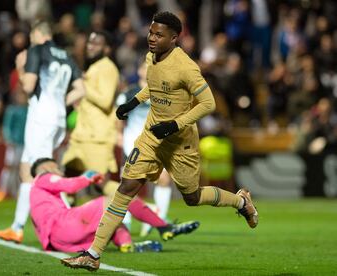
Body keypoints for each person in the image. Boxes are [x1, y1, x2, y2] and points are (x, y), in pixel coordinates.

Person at [61, 11, 259, 271]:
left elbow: (208, 103)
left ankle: (241, 201)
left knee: (192, 197)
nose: (152, 38)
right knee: (126, 187)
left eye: (159, 34)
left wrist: (176, 124)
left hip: (180, 142)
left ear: (174, 38)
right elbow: (155, 87)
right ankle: (93, 254)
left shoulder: (186, 67)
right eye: (151, 32)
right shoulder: (151, 57)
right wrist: (133, 102)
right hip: (152, 136)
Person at [0, 21, 85, 243]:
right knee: (27, 171)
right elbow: (81, 90)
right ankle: (17, 227)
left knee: (46, 171)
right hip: (56, 119)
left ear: (37, 34)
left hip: (41, 119)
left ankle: (74, 225)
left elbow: (27, 86)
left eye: (31, 36)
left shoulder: (36, 50)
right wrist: (61, 103)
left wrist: (20, 67)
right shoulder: (66, 55)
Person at [29, 158, 199, 255]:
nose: (59, 169)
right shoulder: (44, 177)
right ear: (46, 167)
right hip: (65, 226)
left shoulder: (37, 195)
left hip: (61, 241)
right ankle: (163, 227)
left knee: (113, 218)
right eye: (56, 167)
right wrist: (87, 177)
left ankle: (127, 245)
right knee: (119, 199)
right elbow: (70, 186)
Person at [117, 61, 173, 235]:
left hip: (155, 144)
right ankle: (124, 221)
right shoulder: (129, 93)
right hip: (132, 144)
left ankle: (158, 221)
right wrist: (118, 136)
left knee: (164, 180)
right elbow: (117, 121)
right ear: (140, 71)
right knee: (127, 183)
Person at [62, 30, 120, 197]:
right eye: (90, 42)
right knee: (68, 179)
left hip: (97, 136)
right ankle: (67, 220)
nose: (91, 46)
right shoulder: (93, 67)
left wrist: (84, 88)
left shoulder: (108, 67)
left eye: (96, 43)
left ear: (107, 49)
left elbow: (105, 100)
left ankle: (146, 209)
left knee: (100, 183)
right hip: (81, 135)